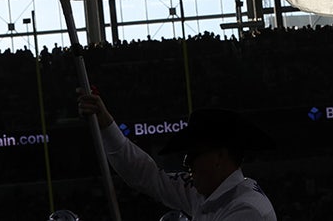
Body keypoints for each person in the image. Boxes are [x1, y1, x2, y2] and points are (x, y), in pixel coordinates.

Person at [76, 89, 276, 220]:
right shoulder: (206, 193)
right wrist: (106, 125)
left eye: (194, 154)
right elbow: (147, 176)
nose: (187, 162)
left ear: (219, 157)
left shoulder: (247, 211)